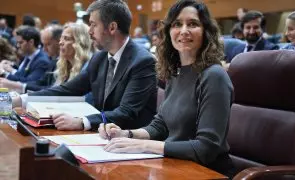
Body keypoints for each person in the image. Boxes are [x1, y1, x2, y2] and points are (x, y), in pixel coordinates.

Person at [98, 0, 235, 177]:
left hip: (207, 172)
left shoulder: (214, 76)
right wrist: (126, 134)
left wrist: (144, 146)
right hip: (175, 165)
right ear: (169, 31)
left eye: (192, 24)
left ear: (206, 32)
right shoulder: (175, 73)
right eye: (177, 24)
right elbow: (161, 125)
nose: (184, 31)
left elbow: (206, 148)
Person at [13, 0, 157, 131]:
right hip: (101, 136)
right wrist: (22, 99)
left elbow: (126, 113)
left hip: (131, 143)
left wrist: (82, 121)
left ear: (112, 27)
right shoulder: (99, 58)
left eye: (94, 25)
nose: (89, 31)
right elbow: (68, 89)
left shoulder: (143, 61)